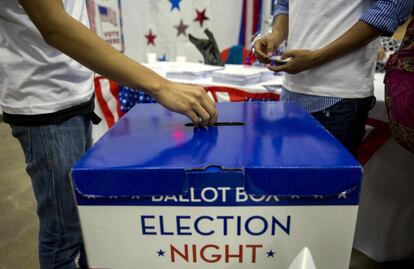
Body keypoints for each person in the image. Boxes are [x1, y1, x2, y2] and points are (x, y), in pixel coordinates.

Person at [0, 1, 217, 268]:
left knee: (86, 221)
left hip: (73, 92)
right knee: (65, 235)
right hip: (45, 102)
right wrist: (160, 87)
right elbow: (53, 25)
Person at [254, 0, 414, 155]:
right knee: (289, 178)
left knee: (326, 181)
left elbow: (393, 5)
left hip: (339, 96)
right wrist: (274, 37)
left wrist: (317, 57)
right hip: (291, 90)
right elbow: (285, 4)